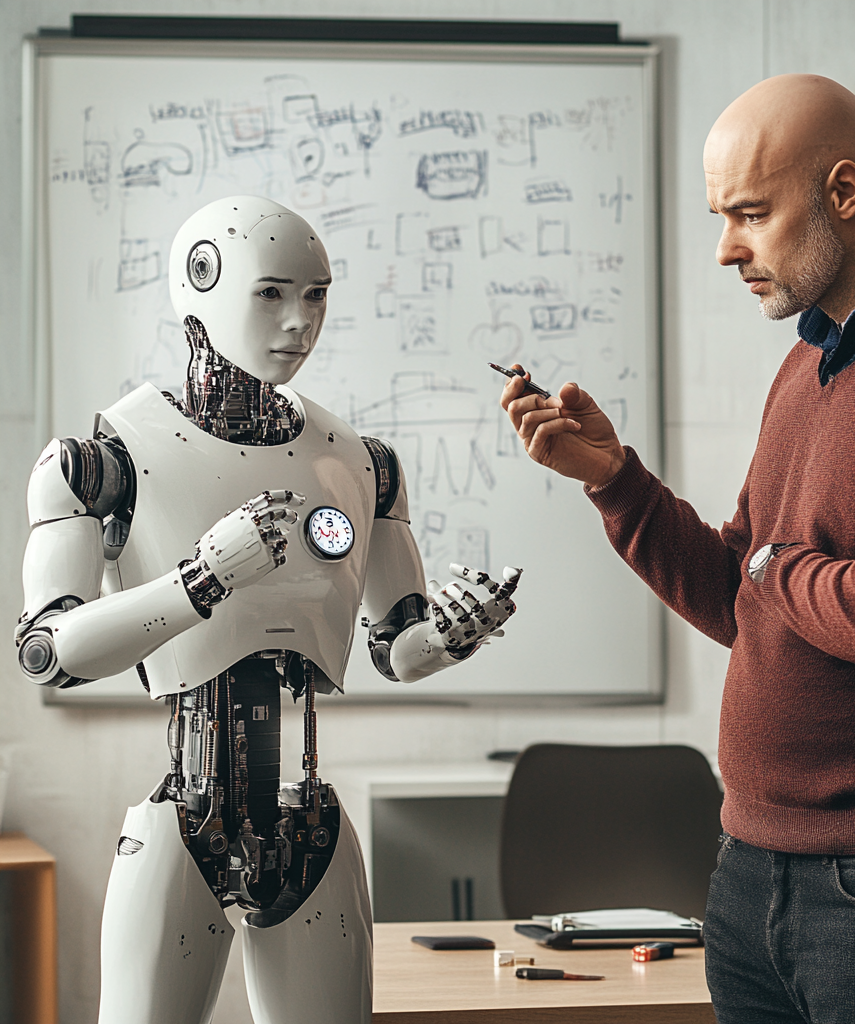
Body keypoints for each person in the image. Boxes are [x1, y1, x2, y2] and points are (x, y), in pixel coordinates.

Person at [500, 74, 855, 1023]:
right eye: (720, 215)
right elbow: (741, 595)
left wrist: (775, 567)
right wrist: (615, 480)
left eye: (750, 212)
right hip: (748, 879)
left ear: (845, 192)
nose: (725, 248)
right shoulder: (805, 366)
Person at [16, 195, 521, 1024]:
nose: (299, 322)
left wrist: (453, 633)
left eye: (317, 294)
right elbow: (51, 652)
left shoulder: (360, 463)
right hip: (184, 821)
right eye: (272, 293)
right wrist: (203, 578)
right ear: (200, 286)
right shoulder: (102, 460)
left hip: (307, 822)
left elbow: (397, 649)